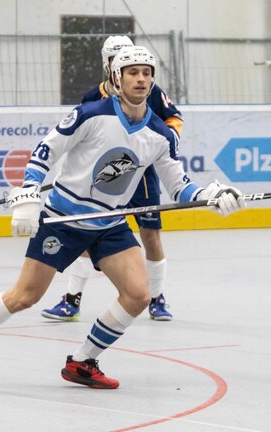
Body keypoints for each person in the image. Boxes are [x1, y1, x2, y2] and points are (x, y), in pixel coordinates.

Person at [0, 46, 245, 390]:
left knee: (138, 295)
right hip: (63, 219)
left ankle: (81, 361)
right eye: (133, 72)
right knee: (24, 297)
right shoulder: (90, 114)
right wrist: (30, 190)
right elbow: (46, 151)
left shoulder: (160, 135)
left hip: (110, 223)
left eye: (147, 73)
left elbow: (179, 187)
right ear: (116, 78)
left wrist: (210, 196)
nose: (141, 78)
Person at [41, 35, 183, 323]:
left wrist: (157, 154)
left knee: (150, 235)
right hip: (105, 181)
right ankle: (72, 299)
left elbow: (174, 121)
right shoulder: (93, 98)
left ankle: (157, 297)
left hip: (140, 177)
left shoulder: (147, 88)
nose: (137, 74)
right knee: (86, 229)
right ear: (108, 65)